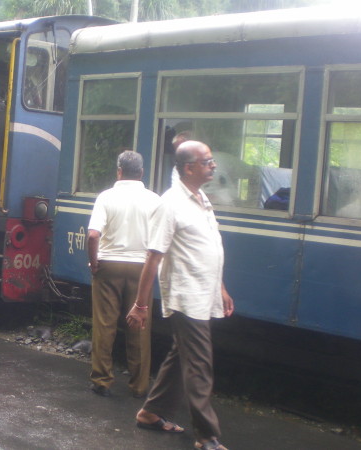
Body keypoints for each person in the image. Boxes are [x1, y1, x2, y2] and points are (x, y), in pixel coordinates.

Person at [127, 141, 235, 450]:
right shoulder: (170, 204)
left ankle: (151, 412)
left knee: (180, 357)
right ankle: (207, 436)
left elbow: (210, 248)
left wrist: (221, 287)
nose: (213, 166)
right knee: (199, 365)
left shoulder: (200, 199)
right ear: (189, 168)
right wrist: (141, 304)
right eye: (207, 161)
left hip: (204, 293)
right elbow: (153, 258)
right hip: (187, 297)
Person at [87, 150, 160, 398]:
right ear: (141, 173)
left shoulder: (106, 197)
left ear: (118, 171)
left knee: (104, 325)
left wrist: (93, 262)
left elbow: (93, 235)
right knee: (139, 326)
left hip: (109, 266)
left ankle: (102, 380)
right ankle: (139, 386)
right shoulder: (154, 200)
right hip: (142, 267)